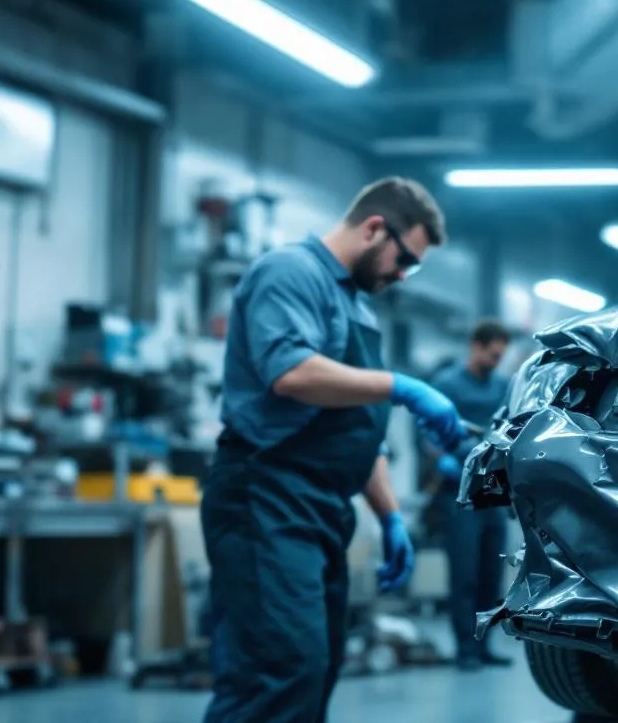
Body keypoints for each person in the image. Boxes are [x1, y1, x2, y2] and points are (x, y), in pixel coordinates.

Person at [201, 176, 469, 723]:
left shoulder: (359, 309)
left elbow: (356, 423)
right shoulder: (290, 273)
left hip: (319, 508)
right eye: (406, 260)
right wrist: (402, 386)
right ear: (375, 228)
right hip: (264, 495)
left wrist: (390, 516)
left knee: (314, 669)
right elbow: (293, 373)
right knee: (277, 669)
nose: (402, 275)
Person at [427, 318, 515, 671]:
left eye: (500, 357)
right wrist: (445, 458)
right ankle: (465, 649)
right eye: (492, 355)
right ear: (476, 346)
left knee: (491, 573)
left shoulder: (504, 387)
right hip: (459, 494)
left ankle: (484, 645)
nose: (496, 362)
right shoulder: (446, 385)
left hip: (493, 492)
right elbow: (427, 433)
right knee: (464, 573)